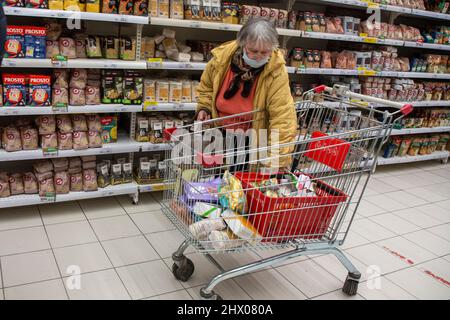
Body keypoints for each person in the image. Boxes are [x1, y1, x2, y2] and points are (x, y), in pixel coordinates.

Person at [195, 18, 298, 171]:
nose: (258, 56)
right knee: (218, 182)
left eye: (265, 52)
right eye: (254, 51)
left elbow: (283, 118)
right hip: (219, 133)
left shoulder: (276, 71)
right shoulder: (222, 58)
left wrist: (276, 160)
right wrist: (204, 108)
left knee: (239, 187)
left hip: (252, 140)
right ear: (242, 44)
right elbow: (207, 87)